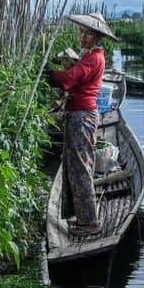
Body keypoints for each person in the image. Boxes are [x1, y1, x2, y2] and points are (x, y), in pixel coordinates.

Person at [46, 12, 117, 236]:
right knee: (75, 164)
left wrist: (49, 73)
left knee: (82, 166)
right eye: (82, 32)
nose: (83, 36)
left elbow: (69, 79)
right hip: (78, 113)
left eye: (88, 33)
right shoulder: (88, 55)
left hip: (83, 116)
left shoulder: (94, 58)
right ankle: (81, 216)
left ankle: (90, 223)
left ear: (97, 37)